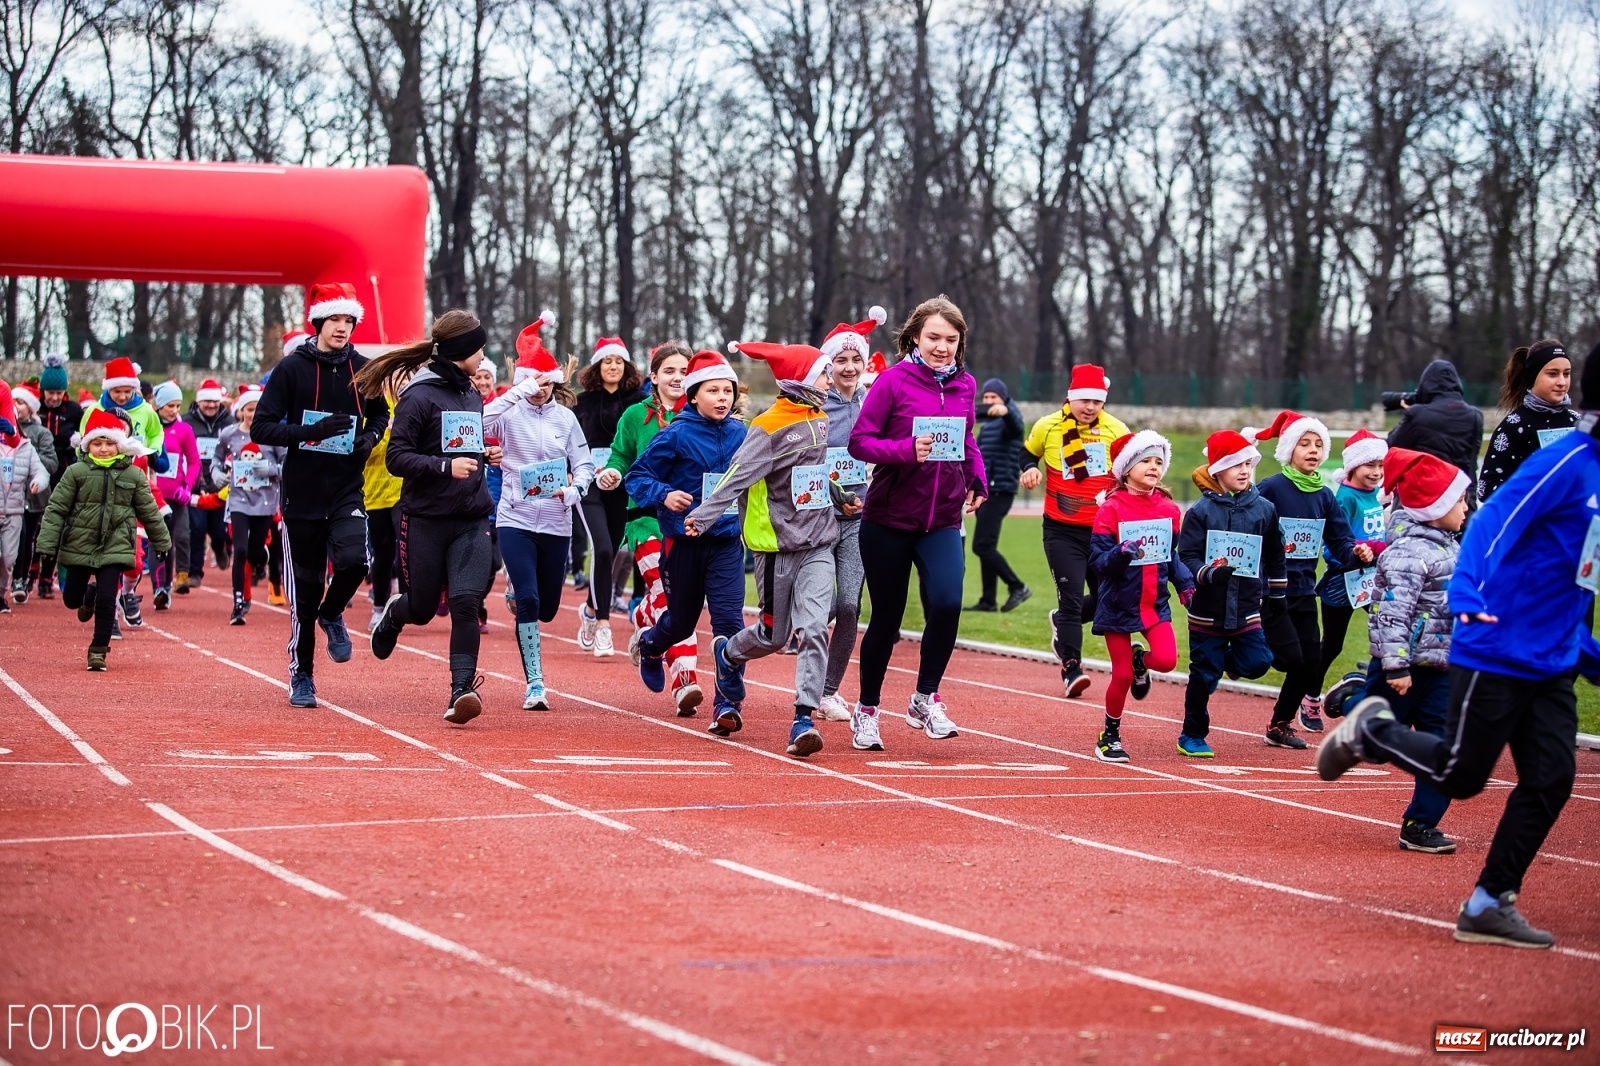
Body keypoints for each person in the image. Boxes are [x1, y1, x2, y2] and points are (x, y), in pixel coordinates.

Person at [1318, 404, 1600, 949]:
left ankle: (1490, 902)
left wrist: (1583, 649)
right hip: (1496, 643)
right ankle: (1371, 728)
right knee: (1462, 773)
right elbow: (1491, 524)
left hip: (1554, 654)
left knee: (1551, 778)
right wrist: (1467, 594)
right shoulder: (1565, 462)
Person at [691, 340, 860, 758]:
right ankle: (728, 654)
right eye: (823, 373)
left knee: (814, 628)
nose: (830, 380)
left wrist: (839, 496)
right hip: (777, 547)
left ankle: (803, 718)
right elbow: (737, 476)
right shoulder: (767, 427)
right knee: (773, 634)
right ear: (803, 381)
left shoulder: (819, 418)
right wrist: (704, 515)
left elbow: (815, 473)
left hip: (818, 541)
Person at [847, 295, 987, 747]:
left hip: (942, 519)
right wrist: (906, 450)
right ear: (914, 337)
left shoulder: (965, 385)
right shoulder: (892, 382)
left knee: (947, 603)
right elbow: (860, 442)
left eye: (951, 339)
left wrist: (978, 478)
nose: (942, 347)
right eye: (934, 338)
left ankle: (925, 698)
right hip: (888, 519)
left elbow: (967, 439)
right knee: (887, 619)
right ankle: (867, 709)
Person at [250, 282, 391, 708]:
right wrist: (309, 433)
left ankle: (333, 613)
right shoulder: (291, 369)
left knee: (355, 562)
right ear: (318, 322)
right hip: (302, 496)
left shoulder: (364, 369)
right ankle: (303, 674)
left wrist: (368, 440)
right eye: (335, 319)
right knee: (305, 596)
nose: (342, 327)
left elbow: (380, 415)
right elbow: (261, 427)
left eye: (349, 320)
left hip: (346, 489)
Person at [1323, 448, 1465, 855]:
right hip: (1402, 669)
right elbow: (1391, 614)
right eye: (1458, 500)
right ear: (1433, 507)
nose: (1465, 508)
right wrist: (1396, 665)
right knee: (1374, 744)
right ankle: (1352, 698)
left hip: (1443, 668)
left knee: (1444, 747)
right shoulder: (1407, 554)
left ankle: (1420, 824)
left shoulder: (1453, 549)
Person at [364, 310, 504, 723]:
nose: (483, 357)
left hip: (472, 517)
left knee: (465, 601)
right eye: (479, 349)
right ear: (461, 350)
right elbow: (397, 457)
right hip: (425, 518)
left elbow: (460, 445)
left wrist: (484, 454)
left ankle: (462, 690)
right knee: (423, 609)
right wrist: (445, 467)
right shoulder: (419, 396)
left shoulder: (471, 393)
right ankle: (394, 614)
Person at [626, 350, 747, 732]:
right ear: (694, 395)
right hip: (684, 544)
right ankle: (649, 647)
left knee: (730, 624)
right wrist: (665, 495)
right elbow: (637, 477)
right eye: (713, 391)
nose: (722, 398)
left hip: (726, 542)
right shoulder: (676, 434)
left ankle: (726, 705)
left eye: (727, 391)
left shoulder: (743, 434)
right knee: (680, 623)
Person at [476, 318, 593, 710]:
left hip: (557, 521)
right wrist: (516, 393)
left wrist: (575, 490)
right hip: (516, 518)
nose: (540, 390)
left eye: (546, 383)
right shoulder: (508, 414)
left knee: (548, 609)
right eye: (533, 382)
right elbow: (480, 421)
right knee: (528, 600)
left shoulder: (566, 418)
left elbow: (585, 465)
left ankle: (520, 588)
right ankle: (536, 685)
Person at [1248, 410, 1373, 742]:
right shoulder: (1272, 488)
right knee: (1288, 658)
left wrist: (1356, 553)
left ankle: (1279, 724)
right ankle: (1244, 653)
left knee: (1311, 660)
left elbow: (1340, 540)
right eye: (1304, 443)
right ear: (1289, 449)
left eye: (1318, 444)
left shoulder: (1324, 496)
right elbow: (1248, 525)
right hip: (1270, 589)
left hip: (1303, 590)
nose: (1313, 450)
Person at [601, 344, 704, 715]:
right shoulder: (635, 415)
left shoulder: (702, 415)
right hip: (645, 520)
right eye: (670, 371)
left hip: (688, 524)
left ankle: (644, 617)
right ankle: (685, 680)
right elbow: (620, 455)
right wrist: (611, 472)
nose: (677, 378)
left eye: (684, 371)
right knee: (671, 598)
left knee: (677, 599)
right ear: (654, 376)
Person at [1175, 430, 1289, 757]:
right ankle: (1192, 735)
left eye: (1248, 464)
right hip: (1207, 610)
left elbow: (1275, 554)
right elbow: (1187, 555)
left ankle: (1224, 662)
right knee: (1203, 676)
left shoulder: (1265, 509)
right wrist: (1209, 573)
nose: (1243, 470)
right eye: (1235, 465)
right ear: (1217, 471)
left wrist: (1277, 594)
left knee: (1258, 662)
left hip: (1247, 607)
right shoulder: (1200, 511)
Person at [1019, 364, 1129, 697]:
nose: (1090, 407)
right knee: (1070, 599)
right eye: (1084, 400)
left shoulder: (1117, 430)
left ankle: (1063, 623)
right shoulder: (1047, 426)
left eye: (1097, 401)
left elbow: (1130, 472)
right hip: (1062, 531)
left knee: (1109, 599)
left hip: (1103, 533)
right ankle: (1071, 668)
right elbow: (1027, 453)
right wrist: (1029, 469)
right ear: (1071, 398)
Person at [35, 407, 170, 669]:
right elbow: (56, 509)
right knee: (72, 600)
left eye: (109, 443)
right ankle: (89, 593)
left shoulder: (133, 475)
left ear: (120, 444)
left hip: (116, 545)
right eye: (97, 443)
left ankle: (98, 651)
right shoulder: (75, 472)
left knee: (108, 600)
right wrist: (47, 546)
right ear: (87, 445)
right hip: (80, 544)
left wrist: (162, 542)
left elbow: (149, 511)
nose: (104, 449)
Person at [1089, 431, 1194, 762]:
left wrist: (1185, 584)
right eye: (1145, 461)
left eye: (1158, 462)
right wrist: (1121, 553)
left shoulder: (1169, 509)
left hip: (1153, 603)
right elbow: (1098, 563)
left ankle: (1140, 662)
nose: (1153, 467)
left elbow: (1170, 556)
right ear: (1126, 468)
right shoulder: (1110, 509)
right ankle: (1109, 735)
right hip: (1117, 604)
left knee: (1166, 661)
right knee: (1120, 676)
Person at [816, 316, 877, 723]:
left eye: (857, 360)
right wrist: (834, 494)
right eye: (842, 360)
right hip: (819, 518)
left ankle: (827, 691)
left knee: (849, 605)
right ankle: (807, 663)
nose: (850, 367)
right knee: (817, 609)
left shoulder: (875, 402)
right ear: (829, 364)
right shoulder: (816, 405)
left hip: (861, 519)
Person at [573, 334, 645, 658]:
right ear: (597, 366)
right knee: (601, 548)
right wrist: (571, 470)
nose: (613, 366)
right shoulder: (582, 403)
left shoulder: (640, 402)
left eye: (618, 361)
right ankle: (603, 624)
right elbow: (568, 442)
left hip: (624, 485)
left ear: (626, 366)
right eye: (607, 361)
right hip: (589, 483)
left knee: (613, 552)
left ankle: (590, 607)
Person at [1308, 428, 1388, 711]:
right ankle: (1309, 697)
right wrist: (1357, 553)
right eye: (1370, 465)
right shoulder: (1345, 498)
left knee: (1390, 632)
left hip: (1373, 579)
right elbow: (1330, 546)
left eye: (1380, 465)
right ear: (1353, 466)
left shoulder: (1377, 494)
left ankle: (1373, 688)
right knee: (1332, 645)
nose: (1376, 472)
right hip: (1342, 581)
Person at [211, 386, 285, 625]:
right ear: (241, 411)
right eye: (249, 409)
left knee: (253, 553)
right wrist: (216, 473)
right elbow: (217, 458)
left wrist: (271, 469)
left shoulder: (274, 434)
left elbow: (288, 466)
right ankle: (238, 603)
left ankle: (261, 556)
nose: (254, 414)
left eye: (258, 409)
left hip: (265, 502)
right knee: (240, 551)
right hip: (239, 500)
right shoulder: (229, 434)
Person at [1478, 339, 1576, 504]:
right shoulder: (1514, 426)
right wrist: (1537, 494)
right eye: (1553, 374)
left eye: (1566, 374)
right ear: (1533, 376)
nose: (1562, 382)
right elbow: (1486, 488)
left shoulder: (1578, 423)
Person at [969, 377, 1031, 613]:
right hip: (986, 490)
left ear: (1003, 399)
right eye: (985, 397)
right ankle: (988, 600)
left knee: (981, 545)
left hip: (1000, 490)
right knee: (988, 545)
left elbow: (1015, 425)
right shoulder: (987, 426)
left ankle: (1017, 586)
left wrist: (1006, 411)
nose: (988, 401)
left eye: (993, 397)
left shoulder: (1010, 419)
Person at [1387, 359, 1484, 506]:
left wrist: (1411, 415)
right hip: (1461, 499)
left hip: (1424, 500)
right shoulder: (1475, 416)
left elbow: (1392, 446)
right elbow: (1471, 462)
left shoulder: (1418, 415)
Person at [32, 354, 82, 599]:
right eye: (50, 392)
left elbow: (83, 438)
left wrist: (75, 445)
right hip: (36, 474)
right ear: (42, 391)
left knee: (56, 526)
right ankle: (31, 568)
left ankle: (45, 577)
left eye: (59, 393)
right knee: (35, 524)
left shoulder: (73, 411)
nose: (54, 397)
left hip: (63, 475)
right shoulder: (35, 409)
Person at [149, 380, 200, 610]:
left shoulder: (184, 430)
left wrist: (187, 487)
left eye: (178, 406)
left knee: (168, 541)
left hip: (175, 497)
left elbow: (194, 462)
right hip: (152, 495)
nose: (174, 410)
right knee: (156, 540)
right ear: (158, 405)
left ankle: (165, 587)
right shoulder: (151, 428)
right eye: (170, 405)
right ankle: (158, 588)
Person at [0, 382, 51, 613]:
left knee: (9, 558)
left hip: (14, 512)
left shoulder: (26, 447)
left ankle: (1, 592)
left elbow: (41, 471)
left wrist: (38, 482)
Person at [182, 377, 235, 590]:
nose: (211, 405)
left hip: (221, 485)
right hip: (195, 483)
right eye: (207, 401)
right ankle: (195, 572)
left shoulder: (229, 422)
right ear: (199, 401)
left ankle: (220, 547)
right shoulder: (187, 421)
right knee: (197, 528)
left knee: (219, 530)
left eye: (215, 401)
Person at [363, 386, 404, 632]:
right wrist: (385, 431)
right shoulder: (374, 406)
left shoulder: (412, 402)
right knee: (383, 551)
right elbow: (365, 451)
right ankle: (379, 607)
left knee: (406, 543)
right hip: (375, 492)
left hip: (403, 490)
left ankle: (406, 601)